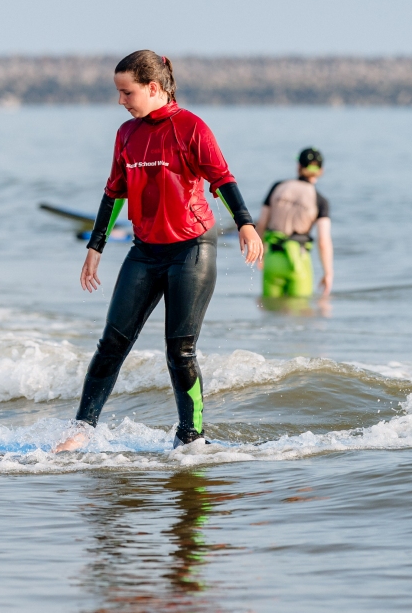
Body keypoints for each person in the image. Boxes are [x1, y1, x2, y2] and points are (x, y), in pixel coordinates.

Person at [58, 51, 263, 452]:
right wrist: (95, 247)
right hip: (145, 250)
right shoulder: (127, 134)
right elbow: (113, 192)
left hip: (192, 249)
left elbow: (221, 178)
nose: (121, 101)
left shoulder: (191, 128)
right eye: (118, 93)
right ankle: (82, 429)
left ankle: (191, 436)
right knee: (111, 342)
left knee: (179, 349)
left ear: (153, 88)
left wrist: (246, 224)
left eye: (127, 92)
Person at [256, 147, 333, 298]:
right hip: (299, 260)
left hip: (273, 258)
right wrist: (328, 273)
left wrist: (261, 255)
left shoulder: (277, 187)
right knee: (299, 314)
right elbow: (324, 241)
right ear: (320, 170)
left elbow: (262, 224)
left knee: (270, 312)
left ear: (298, 166)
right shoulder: (319, 200)